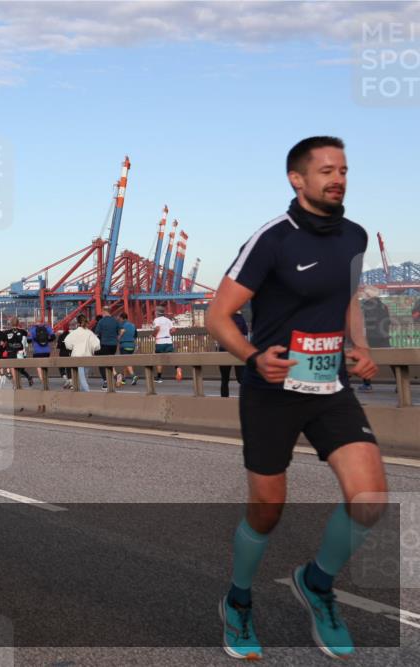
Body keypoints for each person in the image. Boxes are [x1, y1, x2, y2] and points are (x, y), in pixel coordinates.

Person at [207, 136, 385, 660]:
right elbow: (218, 315)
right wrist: (252, 355)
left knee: (369, 499)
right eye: (327, 170)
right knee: (268, 508)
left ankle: (318, 584)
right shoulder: (272, 239)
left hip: (329, 388)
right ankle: (238, 601)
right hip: (271, 391)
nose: (338, 179)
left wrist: (360, 345)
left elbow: (347, 297)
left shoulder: (354, 236)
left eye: (344, 170)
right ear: (297, 179)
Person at [358, 287, 390, 392]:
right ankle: (400, 385)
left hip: (371, 337)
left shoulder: (366, 306)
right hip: (384, 336)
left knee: (365, 360)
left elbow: (363, 323)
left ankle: (367, 385)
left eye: (363, 293)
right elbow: (388, 321)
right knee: (393, 359)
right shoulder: (383, 306)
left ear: (368, 295)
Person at [63, 315, 101, 391]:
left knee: (81, 378)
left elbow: (67, 343)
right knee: (84, 378)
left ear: (77, 322)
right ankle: (84, 395)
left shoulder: (74, 333)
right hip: (87, 357)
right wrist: (91, 348)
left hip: (77, 357)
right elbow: (97, 345)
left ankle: (86, 393)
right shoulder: (89, 333)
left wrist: (72, 347)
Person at [219, 310, 248, 398]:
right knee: (241, 378)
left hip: (224, 349)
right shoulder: (240, 318)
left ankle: (224, 401)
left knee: (224, 379)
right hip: (237, 350)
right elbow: (245, 334)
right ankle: (245, 399)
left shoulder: (223, 318)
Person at [4, 318, 34, 388]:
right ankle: (19, 383)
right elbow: (29, 336)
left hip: (10, 351)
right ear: (18, 323)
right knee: (19, 369)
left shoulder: (6, 332)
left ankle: (15, 384)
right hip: (20, 351)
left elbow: (3, 342)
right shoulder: (22, 331)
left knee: (12, 368)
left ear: (11, 323)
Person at [94, 310, 120, 389]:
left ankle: (106, 381)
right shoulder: (114, 321)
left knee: (102, 364)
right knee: (109, 362)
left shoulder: (99, 324)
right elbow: (119, 330)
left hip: (102, 346)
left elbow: (96, 334)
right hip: (113, 345)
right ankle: (116, 375)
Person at [152, 307, 175, 382]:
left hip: (160, 342)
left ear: (157, 313)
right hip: (169, 341)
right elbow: (173, 330)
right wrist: (168, 334)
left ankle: (159, 378)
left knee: (159, 360)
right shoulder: (168, 320)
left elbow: (157, 328)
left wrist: (153, 335)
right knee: (172, 357)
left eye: (155, 312)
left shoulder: (156, 320)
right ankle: (178, 368)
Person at [29, 320, 55, 386]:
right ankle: (45, 379)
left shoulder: (32, 329)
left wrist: (35, 340)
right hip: (46, 351)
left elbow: (28, 340)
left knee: (38, 366)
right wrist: (46, 340)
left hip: (37, 351)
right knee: (45, 365)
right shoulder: (48, 328)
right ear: (43, 322)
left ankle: (42, 380)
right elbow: (53, 337)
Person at [117, 313, 138, 386]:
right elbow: (135, 336)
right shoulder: (133, 325)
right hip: (132, 346)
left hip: (124, 345)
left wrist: (118, 339)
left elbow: (119, 335)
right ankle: (124, 379)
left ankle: (133, 376)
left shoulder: (121, 325)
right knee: (126, 362)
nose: (119, 320)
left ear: (122, 318)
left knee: (126, 362)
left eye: (119, 318)